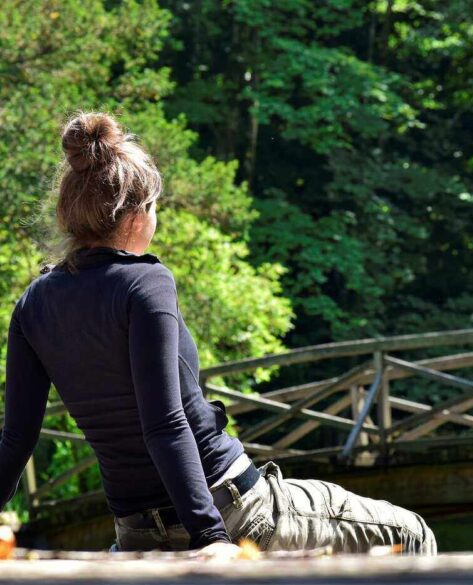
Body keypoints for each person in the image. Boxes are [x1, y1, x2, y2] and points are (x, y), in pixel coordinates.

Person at [0, 111, 437, 559]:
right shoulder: (145, 282)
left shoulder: (33, 305)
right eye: (153, 207)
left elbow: (16, 440)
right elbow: (165, 423)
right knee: (413, 535)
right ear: (133, 214)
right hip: (233, 510)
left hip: (135, 535)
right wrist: (211, 538)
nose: (154, 219)